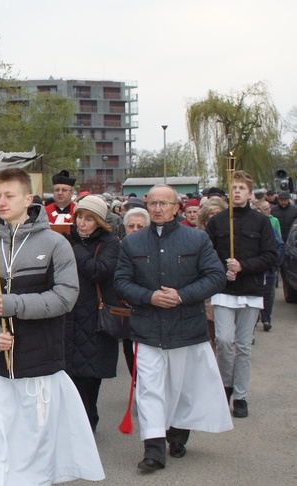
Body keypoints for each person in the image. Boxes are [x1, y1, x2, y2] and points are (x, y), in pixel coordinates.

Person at [0, 168, 104, 485]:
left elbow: (66, 297)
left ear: (29, 199)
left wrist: (17, 305)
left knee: (32, 444)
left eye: (9, 195)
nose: (1, 202)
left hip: (39, 362)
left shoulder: (56, 244)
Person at [115, 184, 232, 472]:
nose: (157, 209)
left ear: (176, 206)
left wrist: (181, 295)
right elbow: (121, 281)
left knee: (180, 387)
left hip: (186, 328)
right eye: (153, 203)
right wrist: (149, 296)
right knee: (150, 389)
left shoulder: (197, 239)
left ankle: (178, 436)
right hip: (146, 329)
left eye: (163, 203)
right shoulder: (131, 243)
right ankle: (153, 450)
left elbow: (216, 276)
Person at [206, 171, 278, 418]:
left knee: (244, 346)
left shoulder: (261, 221)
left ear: (249, 192)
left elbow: (270, 255)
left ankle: (241, 395)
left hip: (250, 290)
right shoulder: (217, 222)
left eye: (242, 188)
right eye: (233, 187)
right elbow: (208, 254)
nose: (237, 191)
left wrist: (243, 267)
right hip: (224, 291)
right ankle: (225, 385)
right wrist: (221, 270)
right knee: (225, 341)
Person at [64, 195, 120, 432]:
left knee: (90, 373)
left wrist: (76, 250)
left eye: (88, 219)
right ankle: (73, 421)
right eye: (79, 217)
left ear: (99, 221)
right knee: (70, 372)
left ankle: (89, 420)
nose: (82, 223)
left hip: (94, 315)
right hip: (69, 313)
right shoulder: (68, 239)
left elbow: (101, 271)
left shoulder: (109, 243)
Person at [119, 207, 150, 375]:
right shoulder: (118, 248)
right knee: (130, 352)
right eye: (131, 226)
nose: (135, 230)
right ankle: (137, 384)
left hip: (149, 308)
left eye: (140, 226)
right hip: (126, 310)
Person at [253, 200, 284, 333]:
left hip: (268, 268)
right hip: (252, 269)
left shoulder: (269, 227)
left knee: (267, 295)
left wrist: (274, 262)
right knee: (253, 297)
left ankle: (266, 319)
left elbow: (279, 244)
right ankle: (252, 326)